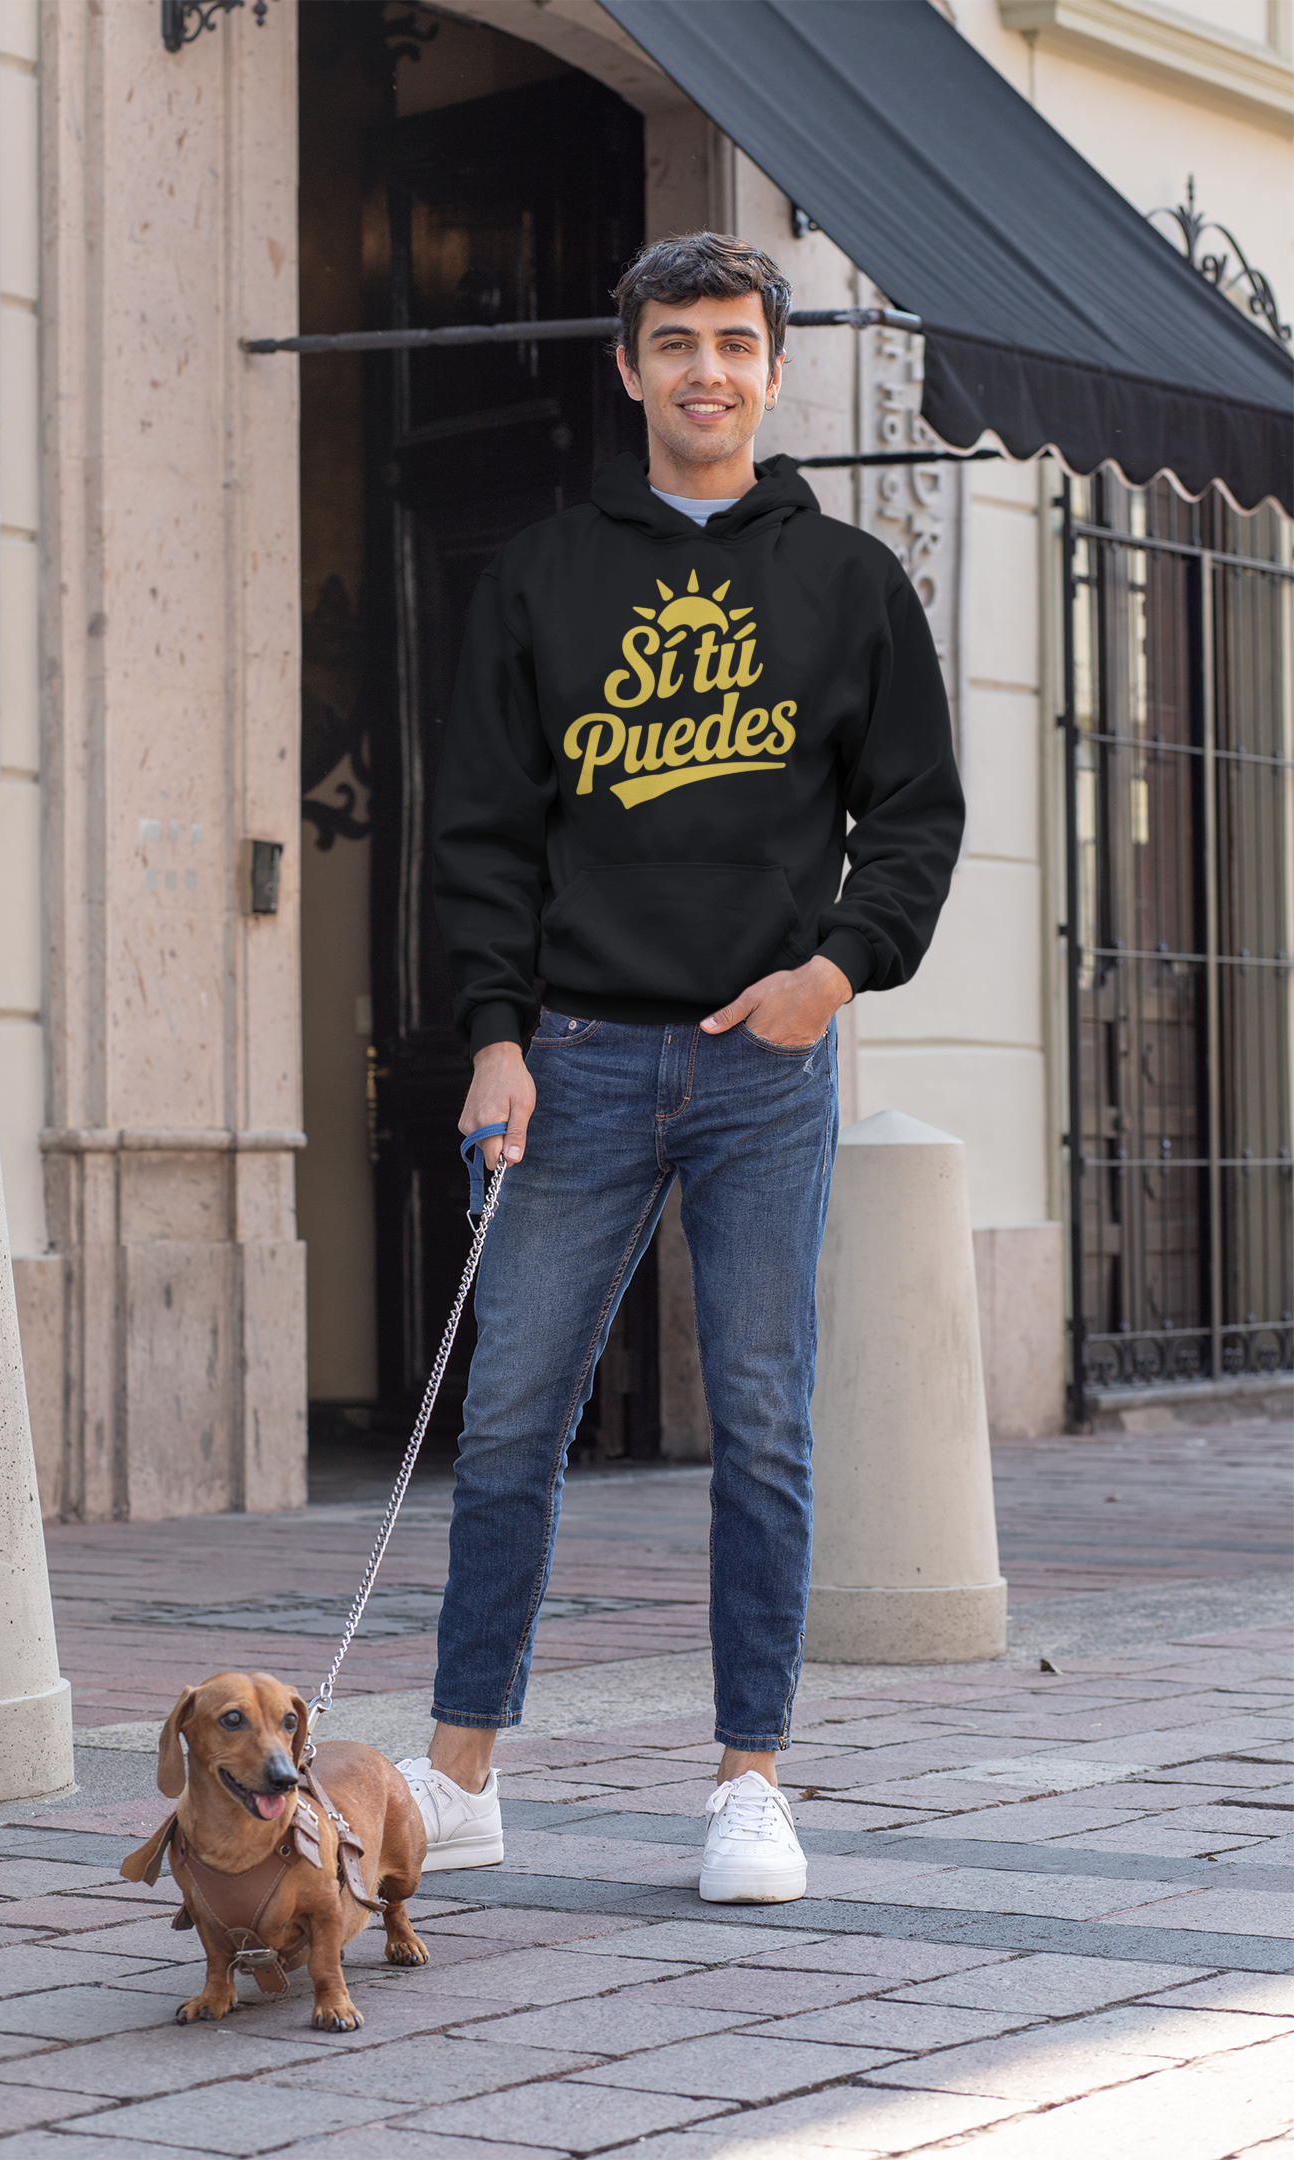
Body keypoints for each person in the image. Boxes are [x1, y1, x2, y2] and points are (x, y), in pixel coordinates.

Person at [397, 231, 964, 1903]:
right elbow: (485, 829)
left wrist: (834, 975)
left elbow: (916, 820)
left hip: (761, 1072)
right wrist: (493, 1032)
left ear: (773, 373)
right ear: (628, 367)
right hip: (569, 1058)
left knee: (769, 1428)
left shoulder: (851, 582)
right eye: (675, 343)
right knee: (507, 1420)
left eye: (735, 341)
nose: (706, 369)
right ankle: (464, 1769)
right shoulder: (545, 577)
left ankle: (749, 1782)